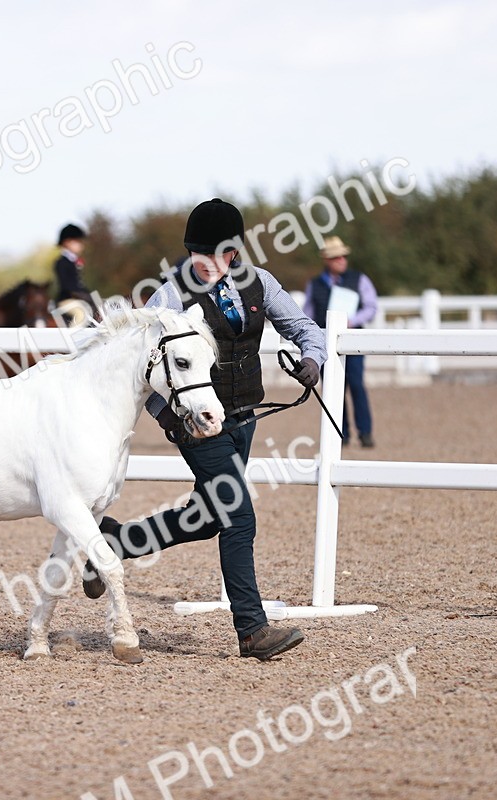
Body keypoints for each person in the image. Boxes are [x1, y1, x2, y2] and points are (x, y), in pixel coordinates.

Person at [82, 199, 326, 661]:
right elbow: (143, 367)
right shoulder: (170, 296)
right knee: (238, 515)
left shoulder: (261, 284)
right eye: (197, 253)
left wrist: (312, 362)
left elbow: (303, 328)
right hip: (196, 423)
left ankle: (115, 541)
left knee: (208, 516)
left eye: (214, 254)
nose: (204, 264)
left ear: (233, 252)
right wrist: (172, 419)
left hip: (245, 417)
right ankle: (252, 630)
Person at [303, 236, 378, 447]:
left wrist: (352, 321)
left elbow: (371, 307)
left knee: (356, 385)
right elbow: (308, 312)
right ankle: (340, 433)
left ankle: (365, 432)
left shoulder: (359, 279)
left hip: (353, 341)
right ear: (327, 260)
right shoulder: (315, 284)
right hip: (325, 343)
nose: (341, 260)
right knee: (333, 387)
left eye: (343, 256)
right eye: (336, 257)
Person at [52, 223, 95, 327]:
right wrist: (82, 295)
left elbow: (79, 284)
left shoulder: (73, 261)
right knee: (81, 314)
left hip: (78, 299)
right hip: (66, 300)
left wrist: (90, 296)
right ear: (67, 242)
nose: (81, 245)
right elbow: (67, 286)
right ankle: (75, 341)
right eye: (77, 242)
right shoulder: (61, 262)